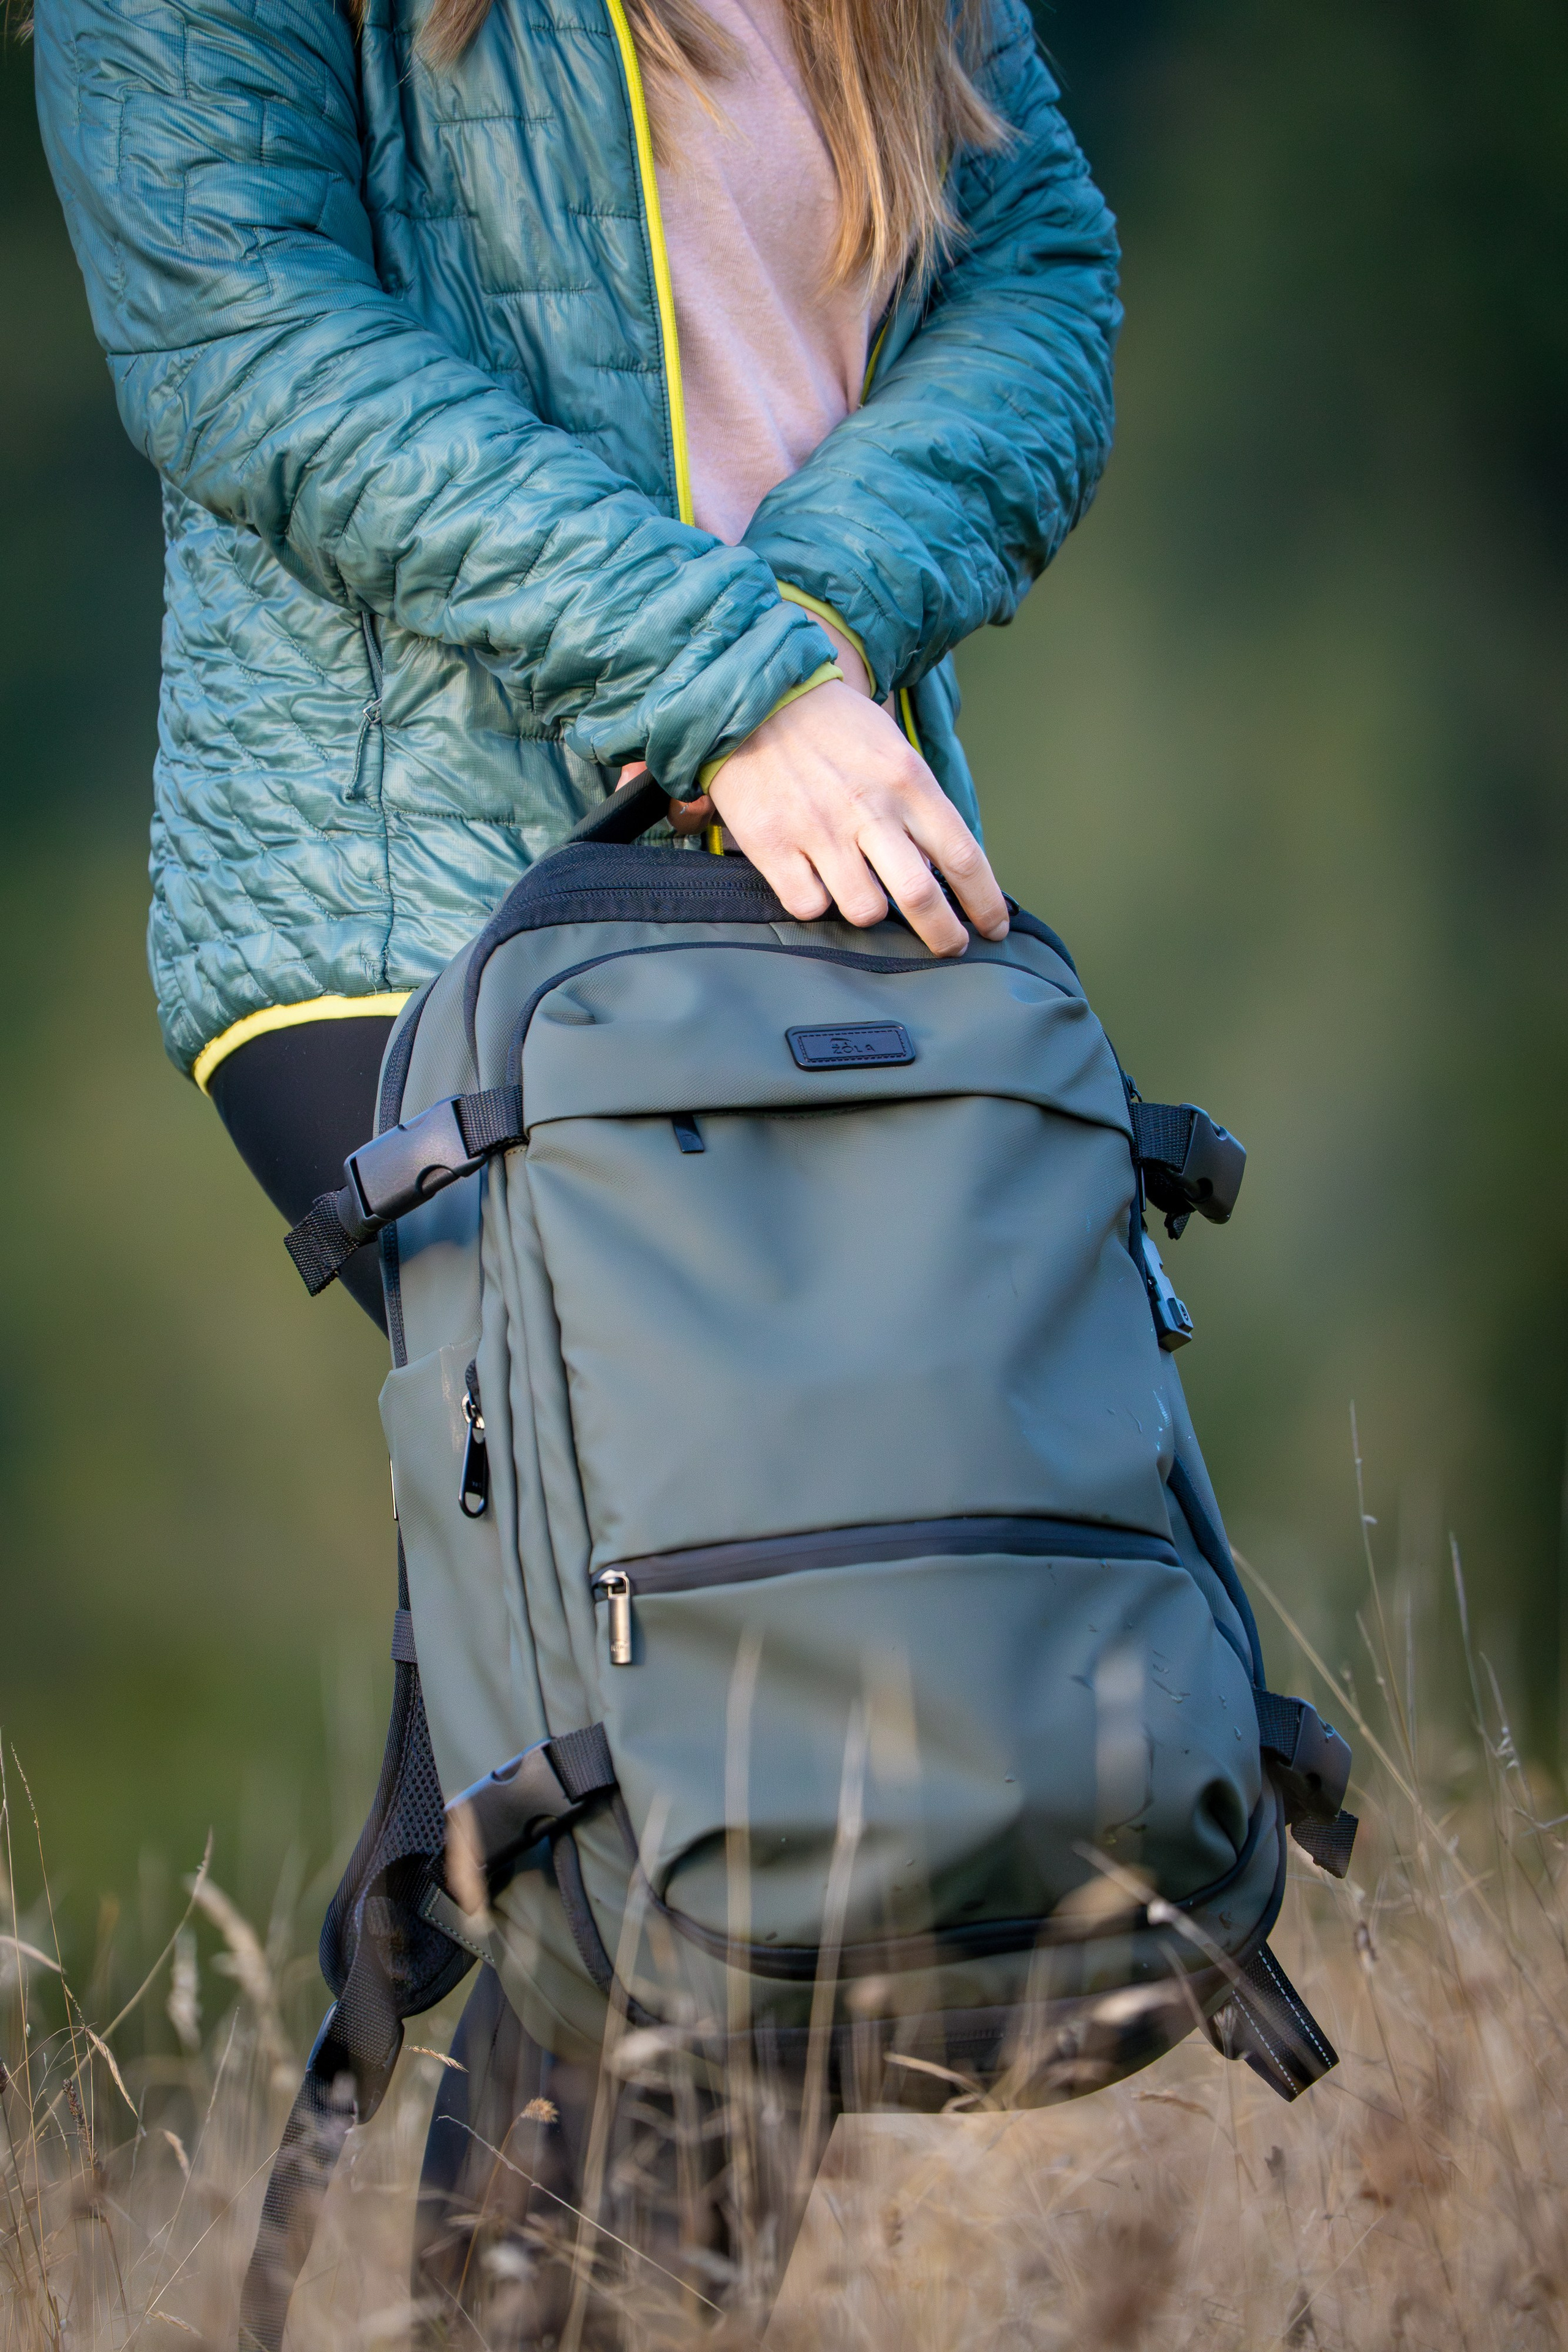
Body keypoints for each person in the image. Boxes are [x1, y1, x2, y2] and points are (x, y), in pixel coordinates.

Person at [36, 0, 1119, 2324]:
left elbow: (1044, 281)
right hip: (402, 906)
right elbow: (236, 328)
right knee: (685, 1702)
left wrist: (814, 634)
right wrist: (724, 676)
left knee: (805, 1743)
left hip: (806, 880)